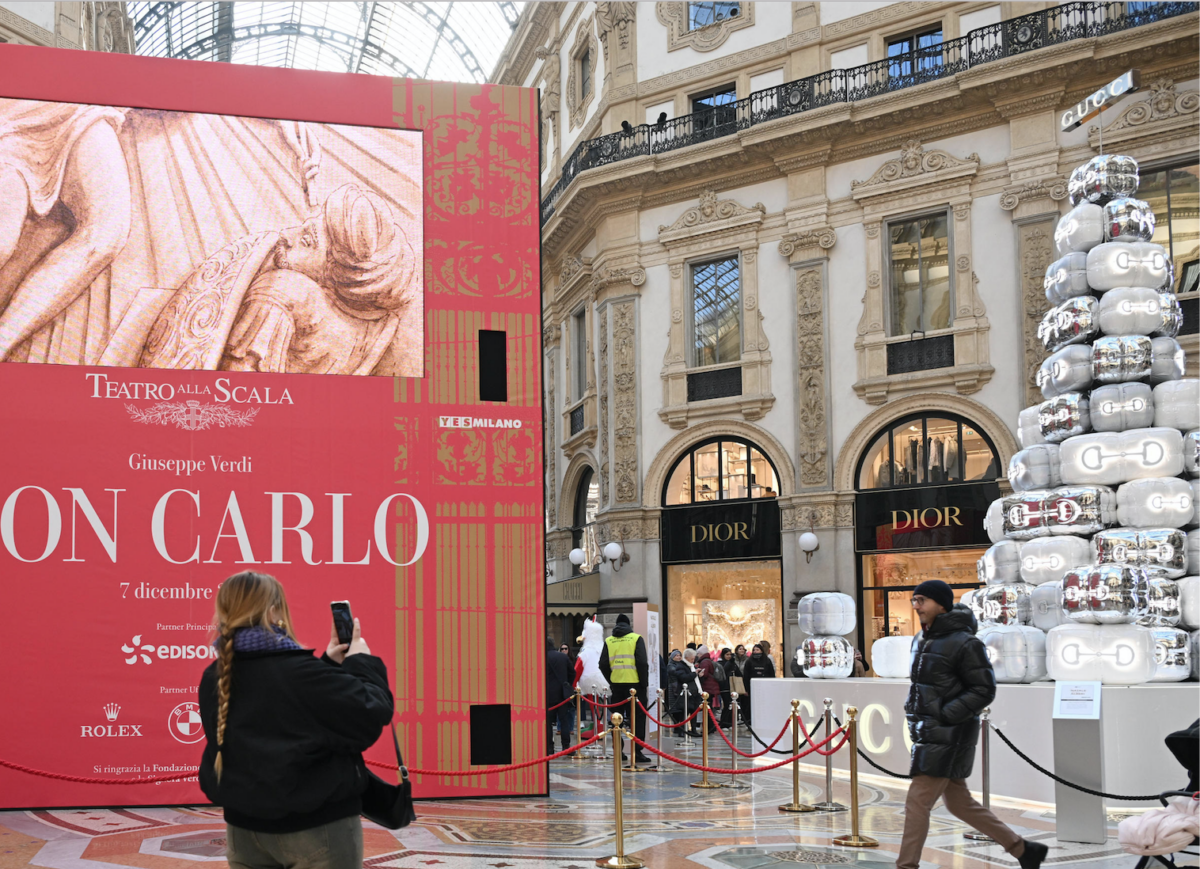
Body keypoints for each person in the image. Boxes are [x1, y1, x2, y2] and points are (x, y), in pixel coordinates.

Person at [198, 571, 393, 869]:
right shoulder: (300, 673)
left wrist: (328, 665)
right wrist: (361, 662)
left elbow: (280, 711)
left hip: (243, 832)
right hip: (317, 829)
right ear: (274, 610)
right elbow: (370, 711)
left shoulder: (215, 675)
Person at [898, 580, 1047, 869]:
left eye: (922, 601)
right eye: (914, 600)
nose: (916, 607)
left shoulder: (965, 642)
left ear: (941, 604)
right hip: (929, 733)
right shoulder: (922, 638)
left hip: (949, 735)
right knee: (959, 803)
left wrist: (946, 714)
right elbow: (922, 687)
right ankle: (1023, 850)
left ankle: (906, 866)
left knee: (917, 802)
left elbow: (983, 689)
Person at [599, 614, 651, 765]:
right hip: (635, 686)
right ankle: (637, 751)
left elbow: (602, 664)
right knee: (638, 719)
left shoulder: (609, 640)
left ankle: (618, 750)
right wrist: (644, 683)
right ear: (629, 625)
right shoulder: (636, 638)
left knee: (617, 720)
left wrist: (612, 679)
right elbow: (642, 662)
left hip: (617, 686)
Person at [546, 637, 574, 754]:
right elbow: (572, 672)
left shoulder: (541, 657)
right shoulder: (563, 657)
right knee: (564, 721)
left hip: (547, 694)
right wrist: (567, 684)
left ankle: (549, 747)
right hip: (562, 694)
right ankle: (566, 746)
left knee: (547, 723)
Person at [740, 643, 775, 726]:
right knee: (751, 705)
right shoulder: (749, 661)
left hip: (765, 687)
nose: (755, 652)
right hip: (752, 687)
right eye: (754, 650)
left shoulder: (767, 660)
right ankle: (750, 721)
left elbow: (771, 674)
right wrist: (746, 689)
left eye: (757, 650)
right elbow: (746, 676)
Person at [694, 644, 721, 732]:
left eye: (698, 654)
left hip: (707, 688)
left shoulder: (704, 662)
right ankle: (710, 727)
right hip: (711, 687)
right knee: (709, 709)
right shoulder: (708, 660)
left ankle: (709, 727)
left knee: (707, 709)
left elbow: (704, 674)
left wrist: (697, 672)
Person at [717, 648, 735, 727]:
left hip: (732, 686)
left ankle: (730, 722)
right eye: (727, 654)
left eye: (730, 654)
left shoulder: (733, 663)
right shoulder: (720, 663)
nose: (729, 656)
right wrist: (729, 662)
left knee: (731, 705)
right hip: (724, 686)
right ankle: (724, 723)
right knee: (726, 705)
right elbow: (723, 671)